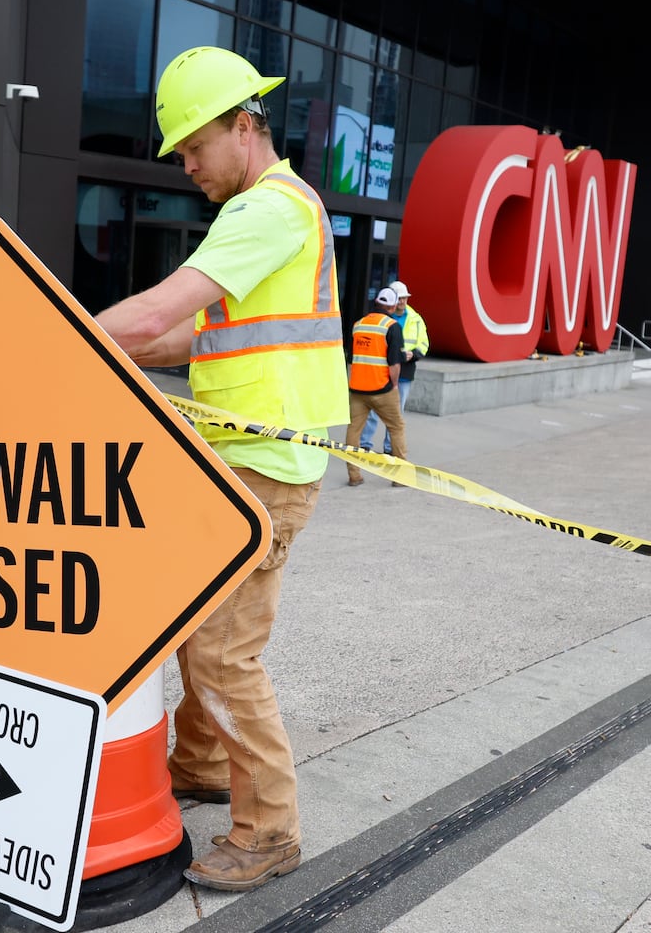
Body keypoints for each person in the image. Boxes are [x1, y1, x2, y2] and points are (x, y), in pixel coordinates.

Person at [93, 46, 348, 892]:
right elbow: (185, 337)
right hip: (242, 458)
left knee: (226, 651)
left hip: (266, 466)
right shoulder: (263, 215)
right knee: (197, 621)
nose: (186, 165)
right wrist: (113, 352)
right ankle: (199, 764)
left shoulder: (267, 211)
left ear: (245, 126)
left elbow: (162, 309)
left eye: (194, 147)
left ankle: (269, 829)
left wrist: (57, 341)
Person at [345, 288, 409, 487]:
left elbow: (351, 359)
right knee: (396, 427)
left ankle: (354, 476)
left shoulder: (358, 325)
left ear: (376, 303)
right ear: (392, 305)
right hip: (382, 389)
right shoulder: (392, 326)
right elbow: (395, 364)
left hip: (357, 390)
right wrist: (395, 385)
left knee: (353, 432)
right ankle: (399, 477)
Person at [357, 279, 428, 454]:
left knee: (396, 413)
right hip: (381, 370)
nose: (403, 301)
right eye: (400, 298)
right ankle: (365, 445)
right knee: (373, 411)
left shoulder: (416, 319)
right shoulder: (384, 319)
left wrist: (415, 354)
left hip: (404, 371)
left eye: (405, 298)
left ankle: (389, 448)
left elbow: (424, 343)